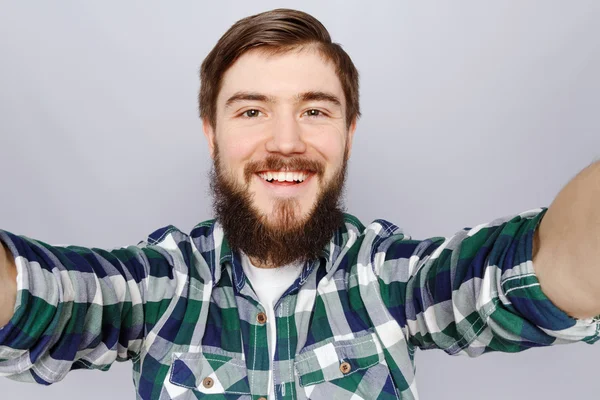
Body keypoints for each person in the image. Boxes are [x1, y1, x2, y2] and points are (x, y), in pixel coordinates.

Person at [0, 8, 598, 400]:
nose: (286, 141)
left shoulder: (396, 281)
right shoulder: (160, 283)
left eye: (315, 111)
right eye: (252, 111)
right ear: (212, 133)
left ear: (349, 132)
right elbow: (43, 298)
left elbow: (545, 269)